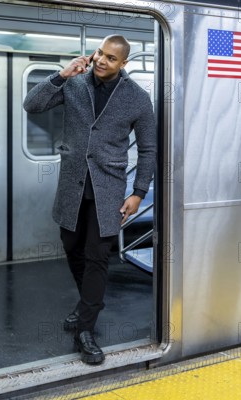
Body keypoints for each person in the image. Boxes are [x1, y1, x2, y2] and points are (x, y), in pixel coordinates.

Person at [23, 35, 156, 365]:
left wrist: (138, 193)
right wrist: (61, 75)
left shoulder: (138, 99)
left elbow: (149, 149)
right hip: (72, 185)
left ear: (123, 64)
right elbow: (32, 105)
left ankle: (86, 330)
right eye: (101, 53)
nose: (102, 60)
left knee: (97, 256)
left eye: (111, 58)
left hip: (108, 189)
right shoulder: (75, 83)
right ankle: (88, 303)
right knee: (71, 246)